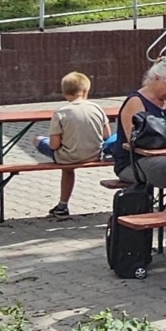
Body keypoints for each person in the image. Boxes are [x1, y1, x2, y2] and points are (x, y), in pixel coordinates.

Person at [107, 57, 166, 215]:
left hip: (165, 158)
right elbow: (137, 139)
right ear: (157, 79)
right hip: (134, 163)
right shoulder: (136, 101)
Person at [35, 70, 107, 220]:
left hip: (67, 157)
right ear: (86, 90)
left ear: (64, 93)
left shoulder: (60, 113)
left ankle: (62, 205)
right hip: (95, 154)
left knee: (39, 139)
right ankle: (62, 206)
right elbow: (106, 135)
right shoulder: (97, 108)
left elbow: (54, 145)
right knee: (68, 160)